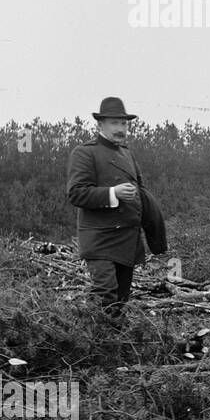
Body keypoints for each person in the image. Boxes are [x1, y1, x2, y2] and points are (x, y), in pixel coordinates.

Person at [66, 97, 166, 317]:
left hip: (127, 240)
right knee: (105, 295)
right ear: (100, 124)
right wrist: (114, 193)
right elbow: (76, 193)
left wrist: (154, 232)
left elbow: (141, 193)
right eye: (115, 123)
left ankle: (110, 343)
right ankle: (89, 343)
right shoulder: (84, 152)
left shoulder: (126, 153)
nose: (121, 129)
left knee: (121, 299)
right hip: (100, 239)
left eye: (124, 124)